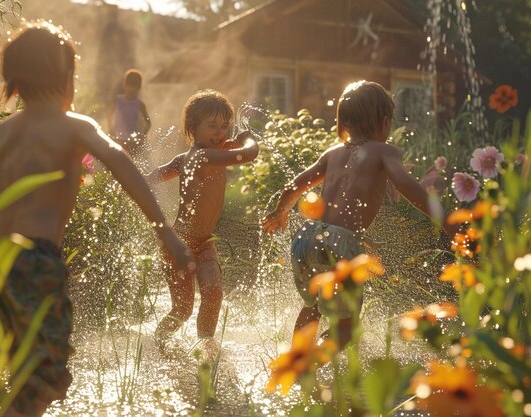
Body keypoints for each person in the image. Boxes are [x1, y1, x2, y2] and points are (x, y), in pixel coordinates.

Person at [0, 22, 192, 417]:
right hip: (35, 259)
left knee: (19, 366)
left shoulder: (3, 134)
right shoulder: (75, 126)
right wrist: (165, 231)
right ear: (66, 78)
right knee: (44, 377)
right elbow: (120, 162)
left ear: (15, 81)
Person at [262, 80, 458, 349]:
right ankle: (312, 360)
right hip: (339, 244)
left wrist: (280, 212)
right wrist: (445, 220)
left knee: (313, 306)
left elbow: (296, 184)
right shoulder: (384, 151)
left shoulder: (332, 153)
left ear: (343, 122)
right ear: (385, 122)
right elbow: (408, 185)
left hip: (306, 236)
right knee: (347, 326)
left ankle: (296, 358)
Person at [147, 89, 259, 342]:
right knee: (182, 309)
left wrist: (137, 180)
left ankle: (205, 346)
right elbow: (249, 153)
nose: (220, 132)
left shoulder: (190, 157)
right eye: (212, 126)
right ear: (192, 128)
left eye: (224, 126)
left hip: (205, 242)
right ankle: (160, 342)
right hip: (180, 244)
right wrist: (248, 138)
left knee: (214, 293)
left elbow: (156, 175)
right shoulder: (205, 156)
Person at [106, 68, 151, 160]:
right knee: (117, 163)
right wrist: (111, 129)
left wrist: (141, 136)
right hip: (119, 139)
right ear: (124, 85)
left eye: (134, 87)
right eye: (130, 86)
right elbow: (109, 114)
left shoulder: (139, 104)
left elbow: (148, 123)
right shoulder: (118, 100)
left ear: (139, 88)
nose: (131, 90)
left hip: (133, 141)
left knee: (133, 163)